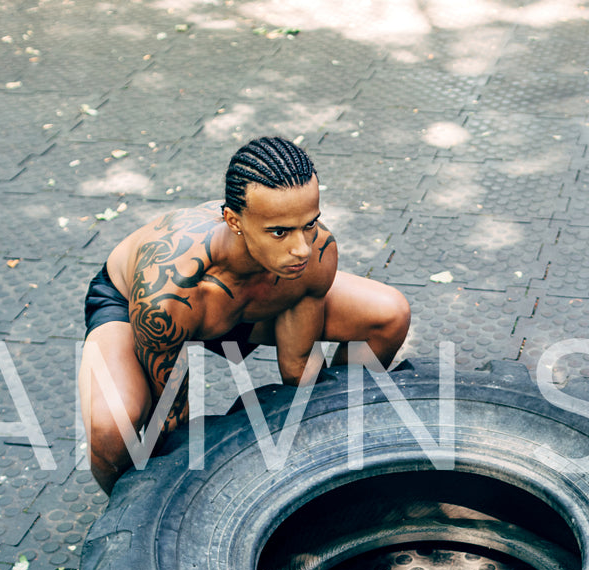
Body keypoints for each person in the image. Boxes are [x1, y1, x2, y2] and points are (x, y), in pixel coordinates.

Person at [77, 136, 411, 495]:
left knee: (388, 314)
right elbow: (170, 419)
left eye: (309, 224)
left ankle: (344, 440)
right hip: (142, 304)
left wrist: (319, 444)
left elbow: (299, 370)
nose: (301, 247)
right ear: (234, 221)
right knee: (113, 428)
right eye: (280, 231)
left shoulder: (313, 254)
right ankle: (124, 510)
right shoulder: (168, 288)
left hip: (261, 293)